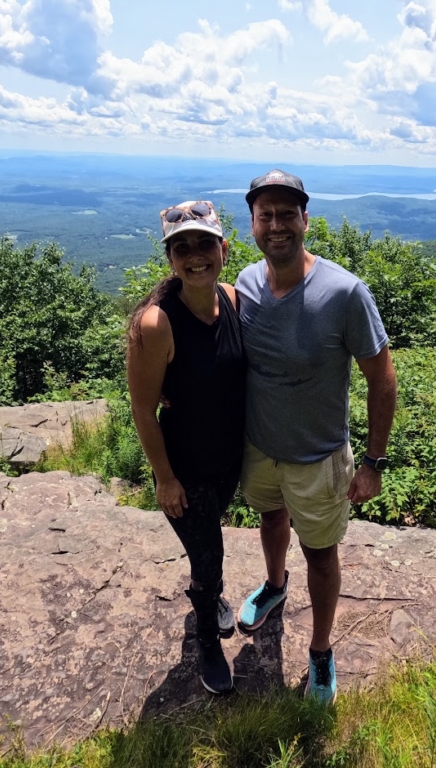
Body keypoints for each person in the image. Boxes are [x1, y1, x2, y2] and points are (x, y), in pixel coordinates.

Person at [234, 169, 398, 705]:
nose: (276, 225)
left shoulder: (344, 292)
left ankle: (322, 650)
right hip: (260, 446)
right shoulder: (246, 283)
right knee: (270, 516)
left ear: (306, 219)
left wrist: (373, 461)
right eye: (266, 215)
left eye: (287, 214)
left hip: (319, 455)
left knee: (322, 553)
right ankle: (276, 586)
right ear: (253, 224)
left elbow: (382, 378)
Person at [127, 200, 245, 695]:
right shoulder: (157, 324)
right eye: (182, 248)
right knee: (208, 559)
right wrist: (164, 477)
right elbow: (142, 410)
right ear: (170, 259)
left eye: (203, 244)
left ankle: (211, 597)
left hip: (228, 459)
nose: (195, 255)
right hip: (186, 465)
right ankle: (207, 640)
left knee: (210, 545)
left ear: (223, 248)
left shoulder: (235, 299)